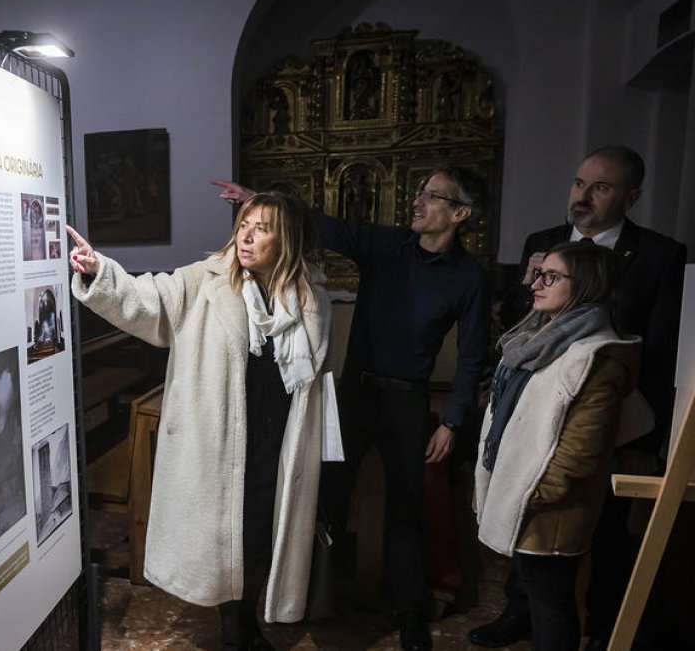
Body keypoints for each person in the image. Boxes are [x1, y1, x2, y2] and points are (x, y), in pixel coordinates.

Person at [215, 167, 489, 651]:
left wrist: (451, 419)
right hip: (353, 395)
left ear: (460, 213)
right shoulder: (387, 245)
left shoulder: (468, 277)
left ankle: (409, 612)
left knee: (407, 507)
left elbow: (472, 354)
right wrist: (260, 200)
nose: (418, 201)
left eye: (432, 196)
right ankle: (321, 597)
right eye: (420, 190)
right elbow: (322, 224)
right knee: (327, 496)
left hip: (407, 398)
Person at [67, 191, 336, 649]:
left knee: (262, 537)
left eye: (262, 228)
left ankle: (250, 620)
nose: (246, 236)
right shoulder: (205, 282)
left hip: (281, 442)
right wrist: (100, 272)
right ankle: (234, 630)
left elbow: (318, 379)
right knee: (227, 541)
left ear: (286, 240)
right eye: (244, 225)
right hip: (225, 440)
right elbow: (146, 297)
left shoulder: (311, 299)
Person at [479, 145, 687, 651]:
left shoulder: (658, 258)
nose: (583, 196)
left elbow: (659, 352)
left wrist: (649, 440)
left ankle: (603, 625)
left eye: (601, 187)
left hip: (599, 424)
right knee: (534, 567)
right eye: (578, 184)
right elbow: (517, 323)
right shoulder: (544, 244)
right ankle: (520, 615)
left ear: (630, 196)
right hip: (534, 429)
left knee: (595, 540)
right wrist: (527, 287)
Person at [473, 241, 645, 651]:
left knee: (552, 604)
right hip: (527, 495)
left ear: (584, 285)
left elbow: (580, 453)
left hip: (551, 506)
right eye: (537, 273)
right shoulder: (542, 338)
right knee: (537, 594)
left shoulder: (598, 356)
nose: (536, 283)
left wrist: (529, 494)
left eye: (551, 276)